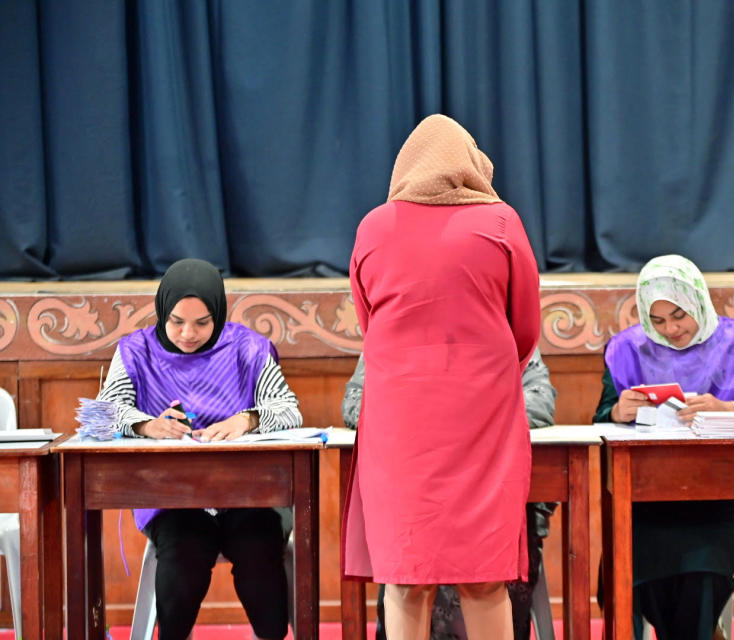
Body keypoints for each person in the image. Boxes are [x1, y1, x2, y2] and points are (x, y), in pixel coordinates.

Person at [344, 114, 542, 640]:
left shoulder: (372, 227)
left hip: (399, 427)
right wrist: (482, 371)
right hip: (484, 420)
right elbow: (524, 328)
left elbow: (370, 323)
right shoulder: (502, 222)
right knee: (485, 576)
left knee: (404, 578)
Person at [95, 258, 302, 640]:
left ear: (219, 315)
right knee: (183, 552)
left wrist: (247, 419)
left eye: (202, 322)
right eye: (177, 321)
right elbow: (104, 415)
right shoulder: (135, 352)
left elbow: (288, 410)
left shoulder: (248, 349)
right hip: (173, 497)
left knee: (259, 548)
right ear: (162, 311)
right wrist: (145, 424)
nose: (188, 333)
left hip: (248, 494)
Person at [593, 254, 734, 640]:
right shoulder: (629, 350)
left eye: (679, 315)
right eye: (658, 320)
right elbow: (601, 420)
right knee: (634, 557)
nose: (670, 329)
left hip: (728, 500)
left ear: (698, 300)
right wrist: (618, 410)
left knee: (699, 563)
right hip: (651, 499)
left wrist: (728, 408)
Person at [342, 347, 558, 640]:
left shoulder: (500, 334)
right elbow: (357, 403)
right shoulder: (392, 333)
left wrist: (456, 421)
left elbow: (540, 399)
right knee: (407, 578)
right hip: (415, 492)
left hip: (486, 490)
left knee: (488, 578)